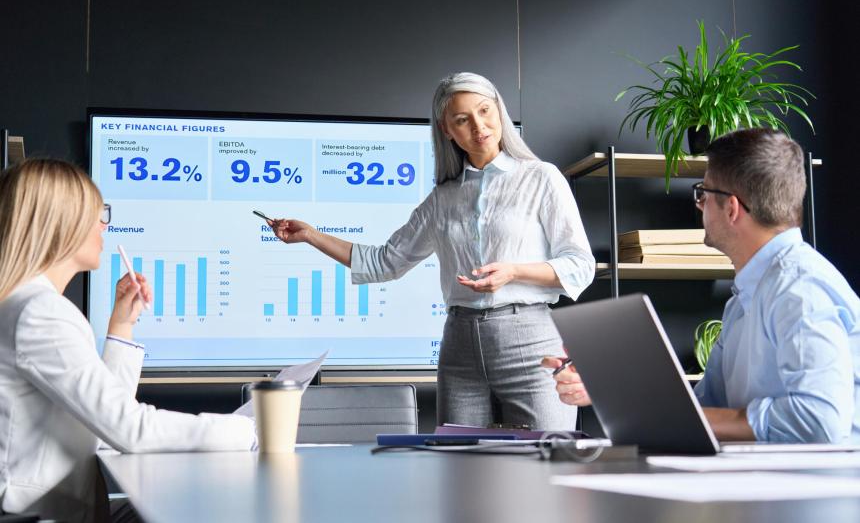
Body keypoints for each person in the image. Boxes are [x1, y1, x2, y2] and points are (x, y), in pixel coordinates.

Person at [268, 72, 595, 430]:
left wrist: (514, 272)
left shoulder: (542, 178)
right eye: (462, 120)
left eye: (485, 111)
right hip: (460, 347)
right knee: (460, 467)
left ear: (499, 110)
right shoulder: (442, 199)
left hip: (530, 342)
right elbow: (384, 262)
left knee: (543, 465)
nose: (479, 126)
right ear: (446, 130)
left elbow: (580, 266)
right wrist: (312, 235)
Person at [543, 128, 860, 443]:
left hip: (821, 483)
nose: (699, 205)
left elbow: (819, 420)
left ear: (732, 208)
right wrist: (608, 386)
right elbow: (707, 407)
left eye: (703, 194)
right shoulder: (746, 297)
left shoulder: (799, 289)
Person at [0, 159, 257, 522]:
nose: (104, 225)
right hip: (39, 515)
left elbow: (103, 423)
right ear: (61, 224)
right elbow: (129, 429)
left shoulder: (26, 304)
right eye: (97, 214)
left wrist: (122, 323)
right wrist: (246, 431)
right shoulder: (40, 312)